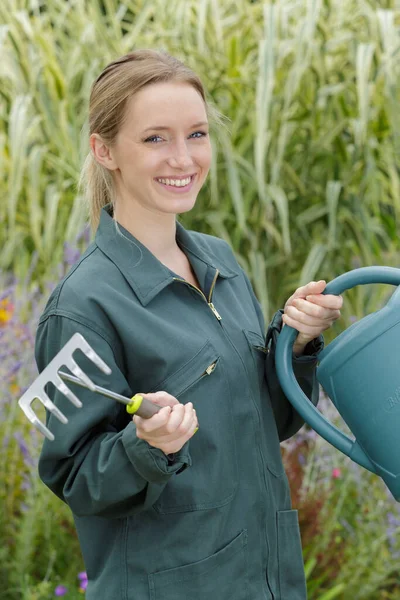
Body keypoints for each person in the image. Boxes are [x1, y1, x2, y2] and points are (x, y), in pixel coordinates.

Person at [35, 49, 342, 600]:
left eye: (196, 134)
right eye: (156, 138)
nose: (183, 158)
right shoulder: (80, 306)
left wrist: (295, 342)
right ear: (105, 150)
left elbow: (263, 422)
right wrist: (145, 445)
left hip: (266, 578)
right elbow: (75, 479)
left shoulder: (219, 261)